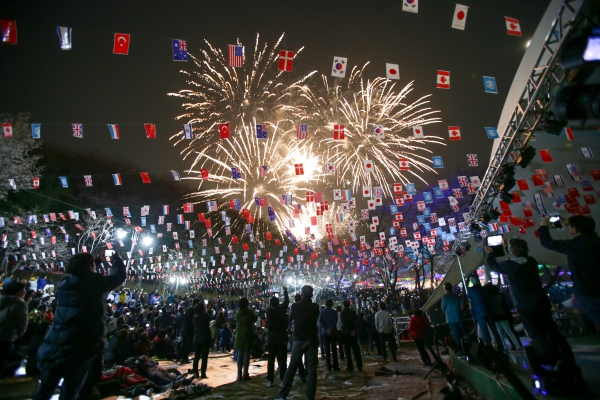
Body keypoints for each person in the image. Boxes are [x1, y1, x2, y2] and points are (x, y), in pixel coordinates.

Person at [33, 251, 126, 400]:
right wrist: (116, 259)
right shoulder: (94, 282)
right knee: (70, 391)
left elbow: (82, 274)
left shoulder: (65, 283)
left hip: (56, 340)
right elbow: (119, 276)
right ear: (90, 266)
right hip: (80, 344)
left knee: (44, 390)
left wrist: (96, 261)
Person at [485, 237, 581, 377]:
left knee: (536, 335)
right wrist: (508, 247)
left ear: (512, 252)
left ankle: (550, 363)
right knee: (553, 331)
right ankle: (567, 359)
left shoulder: (511, 266)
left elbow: (493, 265)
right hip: (541, 303)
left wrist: (490, 253)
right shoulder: (531, 261)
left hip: (526, 306)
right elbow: (517, 257)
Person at [538, 216, 600, 332]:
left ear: (575, 230)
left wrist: (543, 227)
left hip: (588, 290)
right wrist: (570, 224)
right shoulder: (596, 241)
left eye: (571, 227)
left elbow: (547, 242)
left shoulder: (575, 246)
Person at [276, 285, 320, 400]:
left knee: (292, 367)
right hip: (312, 338)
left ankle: (283, 394)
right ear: (311, 294)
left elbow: (290, 321)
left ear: (302, 294)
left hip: (299, 338)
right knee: (311, 369)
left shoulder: (295, 307)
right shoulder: (315, 307)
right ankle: (310, 396)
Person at [466, 276, 505, 352]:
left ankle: (489, 345)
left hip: (479, 312)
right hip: (488, 311)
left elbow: (469, 298)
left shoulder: (471, 290)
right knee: (494, 329)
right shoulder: (484, 289)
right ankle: (500, 345)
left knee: (484, 330)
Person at [0, 281, 28, 375]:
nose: (25, 291)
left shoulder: (1, 299)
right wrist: (19, 335)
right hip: (6, 337)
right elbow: (22, 323)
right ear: (19, 291)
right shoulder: (20, 303)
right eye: (24, 289)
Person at [485, 283, 522, 353]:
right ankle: (518, 346)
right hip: (502, 314)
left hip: (495, 316)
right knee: (509, 331)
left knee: (500, 332)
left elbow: (489, 307)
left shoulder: (488, 297)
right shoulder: (500, 295)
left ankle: (504, 348)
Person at [265, 286, 289, 387]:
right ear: (278, 303)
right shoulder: (281, 311)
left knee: (271, 360)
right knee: (282, 359)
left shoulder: (268, 312)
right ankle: (283, 379)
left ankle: (270, 380)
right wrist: (285, 291)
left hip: (271, 337)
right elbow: (286, 302)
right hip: (280, 337)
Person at [440, 283, 467, 357]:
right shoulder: (456, 296)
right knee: (463, 332)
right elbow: (461, 305)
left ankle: (460, 349)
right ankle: (467, 346)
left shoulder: (445, 297)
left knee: (455, 334)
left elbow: (443, 308)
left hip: (450, 318)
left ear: (445, 288)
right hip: (459, 316)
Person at [234, 297, 258, 381]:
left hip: (239, 335)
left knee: (240, 355)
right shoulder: (249, 312)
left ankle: (239, 375)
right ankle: (245, 374)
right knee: (246, 355)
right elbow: (255, 318)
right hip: (247, 334)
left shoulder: (237, 312)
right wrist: (251, 309)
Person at [340, 300, 363, 371]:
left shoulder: (343, 313)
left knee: (347, 350)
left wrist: (349, 331)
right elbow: (358, 322)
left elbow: (344, 324)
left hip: (346, 333)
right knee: (356, 349)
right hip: (353, 333)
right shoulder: (353, 312)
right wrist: (354, 331)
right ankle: (359, 365)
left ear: (344, 305)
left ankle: (350, 366)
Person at [319, 299, 340, 371]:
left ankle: (328, 365)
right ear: (332, 304)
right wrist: (331, 328)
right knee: (334, 349)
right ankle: (335, 365)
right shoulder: (335, 312)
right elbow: (335, 321)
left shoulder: (322, 312)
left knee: (327, 349)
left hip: (325, 332)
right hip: (333, 332)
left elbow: (321, 321)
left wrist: (326, 329)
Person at [191, 302, 211, 379]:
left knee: (196, 357)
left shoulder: (195, 317)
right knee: (204, 357)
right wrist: (207, 309)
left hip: (197, 338)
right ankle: (203, 373)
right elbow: (210, 317)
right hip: (205, 338)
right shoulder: (205, 316)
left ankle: (195, 372)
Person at [177, 298, 199, 364]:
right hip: (189, 330)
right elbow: (191, 321)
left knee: (184, 344)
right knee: (188, 344)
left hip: (185, 329)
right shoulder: (192, 311)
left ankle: (178, 357)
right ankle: (184, 358)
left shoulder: (188, 309)